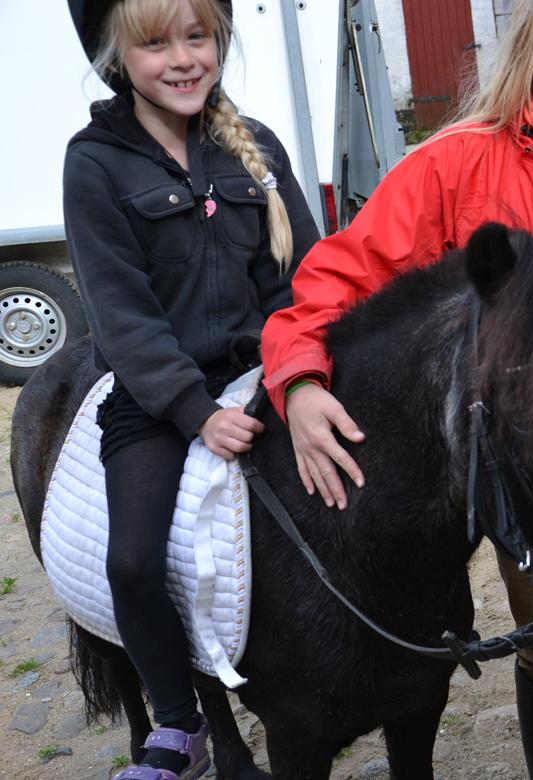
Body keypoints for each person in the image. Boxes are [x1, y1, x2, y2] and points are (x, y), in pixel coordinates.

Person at [260, 0, 533, 776]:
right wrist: (297, 378)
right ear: (532, 50)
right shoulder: (454, 165)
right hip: (528, 479)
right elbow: (333, 281)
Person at [63, 0, 319, 776]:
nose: (181, 58)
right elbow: (122, 312)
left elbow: (301, 279)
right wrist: (194, 411)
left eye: (197, 36)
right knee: (135, 561)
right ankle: (178, 723)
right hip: (159, 396)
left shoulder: (255, 148)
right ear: (116, 57)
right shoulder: (95, 163)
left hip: (266, 374)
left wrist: (301, 374)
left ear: (220, 41)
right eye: (155, 43)